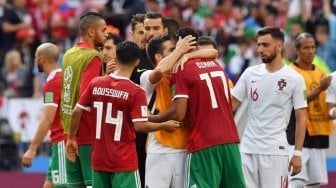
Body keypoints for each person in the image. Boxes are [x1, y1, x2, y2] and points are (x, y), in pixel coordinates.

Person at [65, 41, 180, 188]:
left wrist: (70, 138)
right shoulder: (136, 91)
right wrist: (163, 125)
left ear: (116, 59)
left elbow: (77, 111)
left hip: (99, 159)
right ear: (137, 62)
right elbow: (140, 125)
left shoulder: (96, 83)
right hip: (123, 161)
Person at [150, 27, 245, 188]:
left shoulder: (181, 69)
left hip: (203, 142)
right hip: (231, 140)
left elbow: (179, 113)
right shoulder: (216, 65)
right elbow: (213, 53)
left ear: (182, 44)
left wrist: (154, 118)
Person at [231, 26, 307, 188]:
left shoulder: (295, 78)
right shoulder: (250, 73)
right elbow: (229, 106)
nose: (260, 49)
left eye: (265, 45)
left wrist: (298, 154)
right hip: (247, 149)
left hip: (275, 151)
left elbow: (301, 118)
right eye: (258, 45)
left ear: (279, 46)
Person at [60, 12, 107, 188]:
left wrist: (70, 134)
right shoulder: (93, 56)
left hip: (68, 131)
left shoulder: (68, 54)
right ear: (91, 32)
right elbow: (86, 96)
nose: (107, 34)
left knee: (75, 185)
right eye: (103, 30)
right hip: (86, 130)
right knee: (93, 184)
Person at [286, 32, 333, 187]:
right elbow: (296, 102)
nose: (310, 51)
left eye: (313, 47)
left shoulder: (321, 72)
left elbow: (330, 102)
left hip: (319, 132)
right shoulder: (290, 72)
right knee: (296, 181)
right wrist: (319, 88)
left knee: (314, 184)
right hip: (298, 133)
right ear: (297, 50)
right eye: (306, 47)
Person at [129, 12, 168, 186]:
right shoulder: (133, 58)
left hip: (168, 131)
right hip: (140, 130)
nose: (151, 32)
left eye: (156, 28)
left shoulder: (174, 57)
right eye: (147, 28)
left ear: (165, 30)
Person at [22, 43, 66, 188]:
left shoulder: (52, 82)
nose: (35, 61)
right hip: (64, 141)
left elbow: (47, 119)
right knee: (49, 185)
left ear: (41, 59)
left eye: (35, 57)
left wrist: (32, 149)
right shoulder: (64, 76)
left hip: (61, 142)